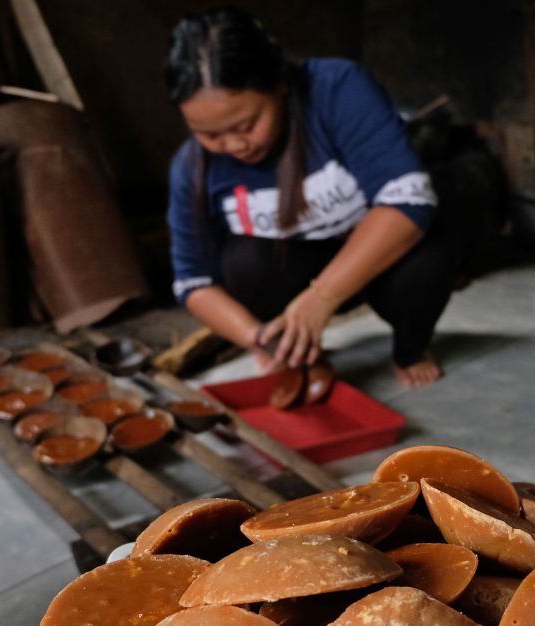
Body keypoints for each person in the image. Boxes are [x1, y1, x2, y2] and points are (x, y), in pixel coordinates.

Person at [164, 7, 453, 388]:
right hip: (291, 274)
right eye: (209, 134)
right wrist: (258, 338)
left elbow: (409, 198)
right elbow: (193, 281)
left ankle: (411, 348)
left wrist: (322, 298)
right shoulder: (190, 166)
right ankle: (291, 344)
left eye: (246, 125)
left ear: (279, 84)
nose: (233, 145)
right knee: (244, 262)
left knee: (430, 253)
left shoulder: (337, 88)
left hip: (375, 265)